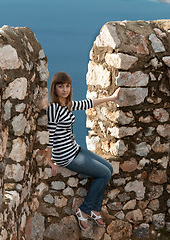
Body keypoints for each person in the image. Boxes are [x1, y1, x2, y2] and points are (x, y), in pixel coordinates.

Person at [46, 72, 120, 230]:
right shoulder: (53, 108)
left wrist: (111, 98)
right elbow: (50, 136)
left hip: (75, 149)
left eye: (67, 86)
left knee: (109, 168)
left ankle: (95, 209)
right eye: (60, 86)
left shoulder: (68, 104)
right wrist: (49, 160)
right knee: (104, 174)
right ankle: (85, 210)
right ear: (54, 88)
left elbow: (89, 103)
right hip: (66, 157)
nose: (65, 90)